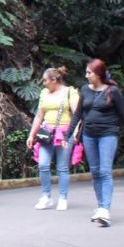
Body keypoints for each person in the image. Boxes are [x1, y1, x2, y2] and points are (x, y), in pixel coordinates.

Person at [66, 58, 124, 227]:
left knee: (105, 171)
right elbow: (78, 114)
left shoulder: (112, 91)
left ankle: (105, 209)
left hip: (108, 134)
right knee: (95, 172)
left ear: (98, 74)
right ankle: (100, 206)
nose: (86, 76)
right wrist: (67, 135)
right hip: (89, 135)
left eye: (89, 73)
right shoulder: (85, 90)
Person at [25, 65, 78, 211]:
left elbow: (76, 113)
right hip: (46, 132)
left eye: (45, 80)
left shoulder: (70, 92)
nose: (44, 83)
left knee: (62, 167)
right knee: (43, 164)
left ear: (54, 80)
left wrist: (75, 131)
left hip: (64, 133)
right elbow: (39, 115)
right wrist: (32, 134)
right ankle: (46, 196)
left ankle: (63, 198)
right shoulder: (44, 93)